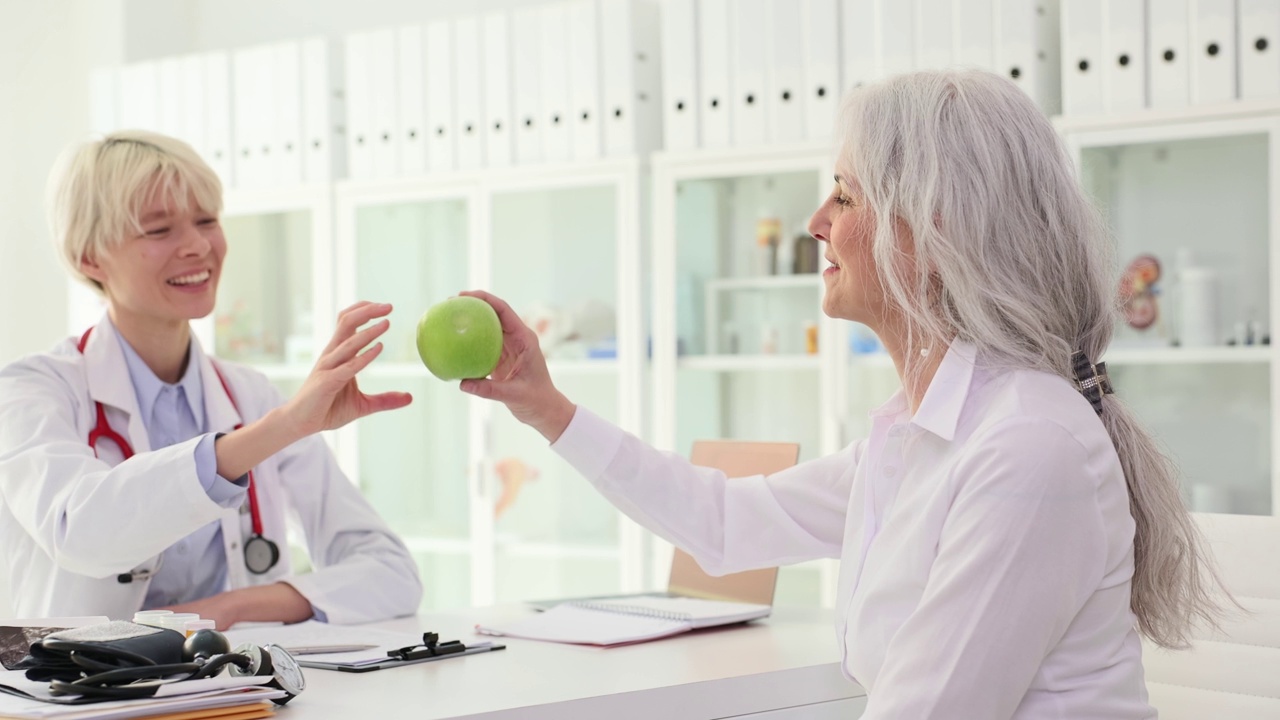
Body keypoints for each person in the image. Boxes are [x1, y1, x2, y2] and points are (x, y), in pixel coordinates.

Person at [456, 70, 1225, 719]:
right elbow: (724, 520)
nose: (815, 223)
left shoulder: (1027, 444)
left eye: (846, 198)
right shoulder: (923, 432)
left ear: (933, 230)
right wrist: (544, 408)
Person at [0, 130, 422, 628]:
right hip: (82, 699)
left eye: (207, 221)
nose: (199, 246)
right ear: (89, 257)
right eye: (159, 231)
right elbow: (83, 532)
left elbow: (390, 572)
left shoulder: (251, 396)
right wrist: (278, 429)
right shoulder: (32, 391)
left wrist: (222, 611)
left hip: (233, 694)